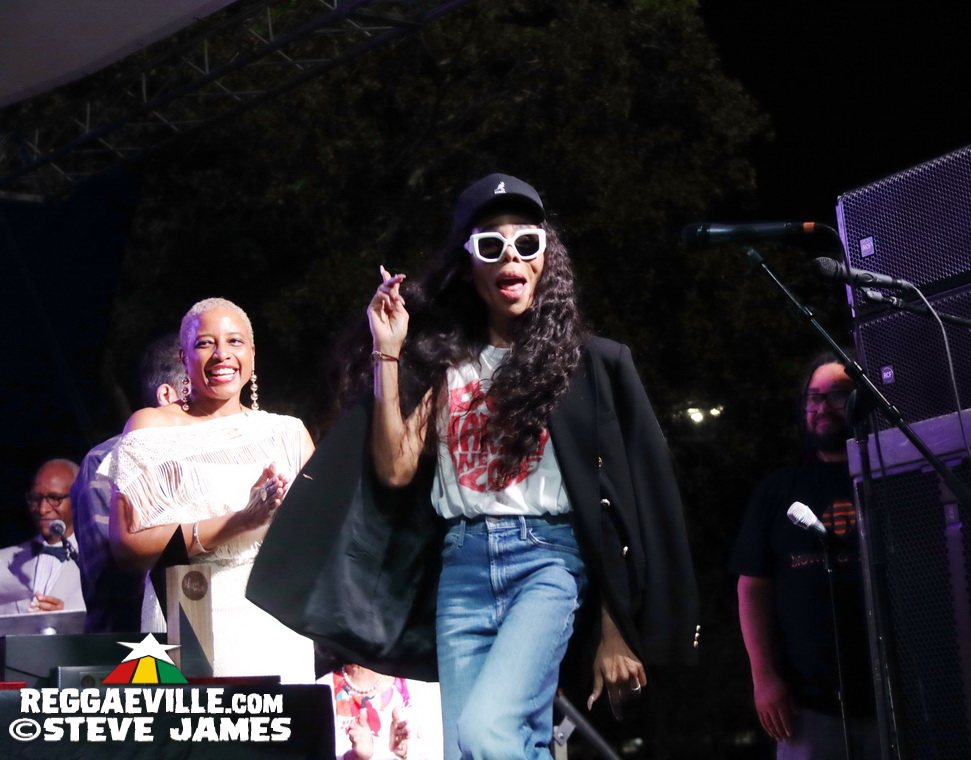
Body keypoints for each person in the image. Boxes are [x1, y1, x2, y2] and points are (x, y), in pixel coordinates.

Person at [252, 174, 699, 760]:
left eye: (527, 243)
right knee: (483, 748)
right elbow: (395, 470)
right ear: (468, 266)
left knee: (486, 732)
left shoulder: (586, 365)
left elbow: (621, 501)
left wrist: (616, 630)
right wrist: (388, 350)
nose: (511, 257)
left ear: (546, 259)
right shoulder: (446, 364)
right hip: (461, 568)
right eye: (491, 245)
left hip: (547, 562)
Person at [101, 297, 316, 682]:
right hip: (187, 615)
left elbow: (319, 542)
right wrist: (238, 521)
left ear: (252, 354)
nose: (222, 354)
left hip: (276, 624)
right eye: (205, 343)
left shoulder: (287, 434)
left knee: (283, 721)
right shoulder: (152, 428)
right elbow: (126, 548)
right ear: (183, 358)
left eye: (234, 341)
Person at [730, 352, 879, 759]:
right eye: (813, 397)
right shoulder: (779, 490)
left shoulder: (891, 476)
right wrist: (764, 678)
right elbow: (752, 588)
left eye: (837, 394)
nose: (821, 407)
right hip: (808, 707)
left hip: (897, 696)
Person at [71, 332, 182, 633]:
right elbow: (114, 584)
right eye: (199, 392)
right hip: (135, 647)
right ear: (167, 396)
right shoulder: (106, 461)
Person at [317, 654, 444, 760]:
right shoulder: (321, 691)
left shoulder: (420, 688)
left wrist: (405, 752)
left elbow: (440, 752)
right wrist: (357, 757)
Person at [0, 459, 83, 614]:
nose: (42, 509)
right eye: (36, 499)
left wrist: (65, 621)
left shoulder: (99, 563)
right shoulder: (2, 562)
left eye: (55, 498)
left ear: (78, 499)